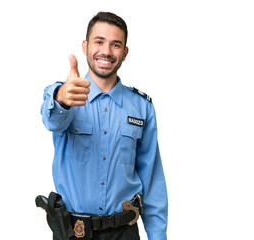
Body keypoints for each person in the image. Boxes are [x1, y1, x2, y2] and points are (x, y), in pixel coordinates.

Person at [41, 12, 168, 240]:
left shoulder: (142, 107)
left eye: (115, 45)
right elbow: (52, 120)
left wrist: (157, 235)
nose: (107, 52)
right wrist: (61, 98)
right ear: (85, 46)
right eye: (99, 42)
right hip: (73, 232)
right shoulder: (67, 96)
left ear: (125, 52)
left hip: (124, 232)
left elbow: (152, 177)